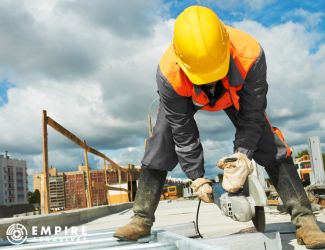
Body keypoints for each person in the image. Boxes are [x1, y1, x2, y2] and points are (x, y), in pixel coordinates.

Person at [114, 6, 325, 249]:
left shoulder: (250, 54)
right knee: (161, 139)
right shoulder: (168, 74)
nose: (210, 81)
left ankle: (305, 220)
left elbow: (252, 116)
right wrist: (197, 178)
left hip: (234, 93)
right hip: (187, 96)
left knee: (268, 141)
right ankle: (141, 218)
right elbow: (183, 131)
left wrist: (241, 158)